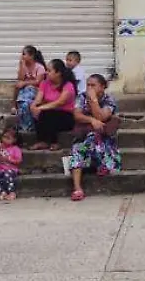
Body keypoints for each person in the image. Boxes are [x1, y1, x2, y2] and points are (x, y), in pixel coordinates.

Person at [68, 73, 122, 202]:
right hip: (83, 136)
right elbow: (77, 115)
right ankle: (77, 188)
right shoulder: (81, 97)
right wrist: (92, 120)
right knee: (78, 148)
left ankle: (102, 164)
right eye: (88, 85)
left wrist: (93, 100)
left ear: (102, 87)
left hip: (103, 138)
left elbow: (101, 117)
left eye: (93, 85)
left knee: (92, 138)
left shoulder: (109, 100)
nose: (89, 88)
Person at [30, 59, 78, 151]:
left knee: (48, 114)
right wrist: (33, 106)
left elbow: (60, 102)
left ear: (58, 73)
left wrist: (41, 108)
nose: (46, 73)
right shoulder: (44, 83)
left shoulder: (68, 85)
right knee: (42, 112)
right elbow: (38, 99)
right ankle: (42, 141)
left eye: (49, 71)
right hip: (47, 113)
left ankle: (54, 142)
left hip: (66, 116)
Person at [14, 46, 47, 133]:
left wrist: (25, 83)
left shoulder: (40, 67)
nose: (22, 56)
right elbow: (20, 78)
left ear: (31, 56)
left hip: (36, 91)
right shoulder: (23, 66)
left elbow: (38, 82)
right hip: (24, 91)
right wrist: (21, 65)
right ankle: (24, 126)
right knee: (23, 103)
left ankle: (28, 127)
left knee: (25, 102)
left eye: (24, 54)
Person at [0, 127, 23, 202]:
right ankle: (2, 192)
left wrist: (8, 159)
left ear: (14, 140)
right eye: (4, 137)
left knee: (7, 175)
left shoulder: (15, 149)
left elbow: (19, 160)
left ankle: (12, 192)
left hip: (11, 169)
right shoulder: (0, 148)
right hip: (0, 168)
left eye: (8, 138)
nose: (5, 140)